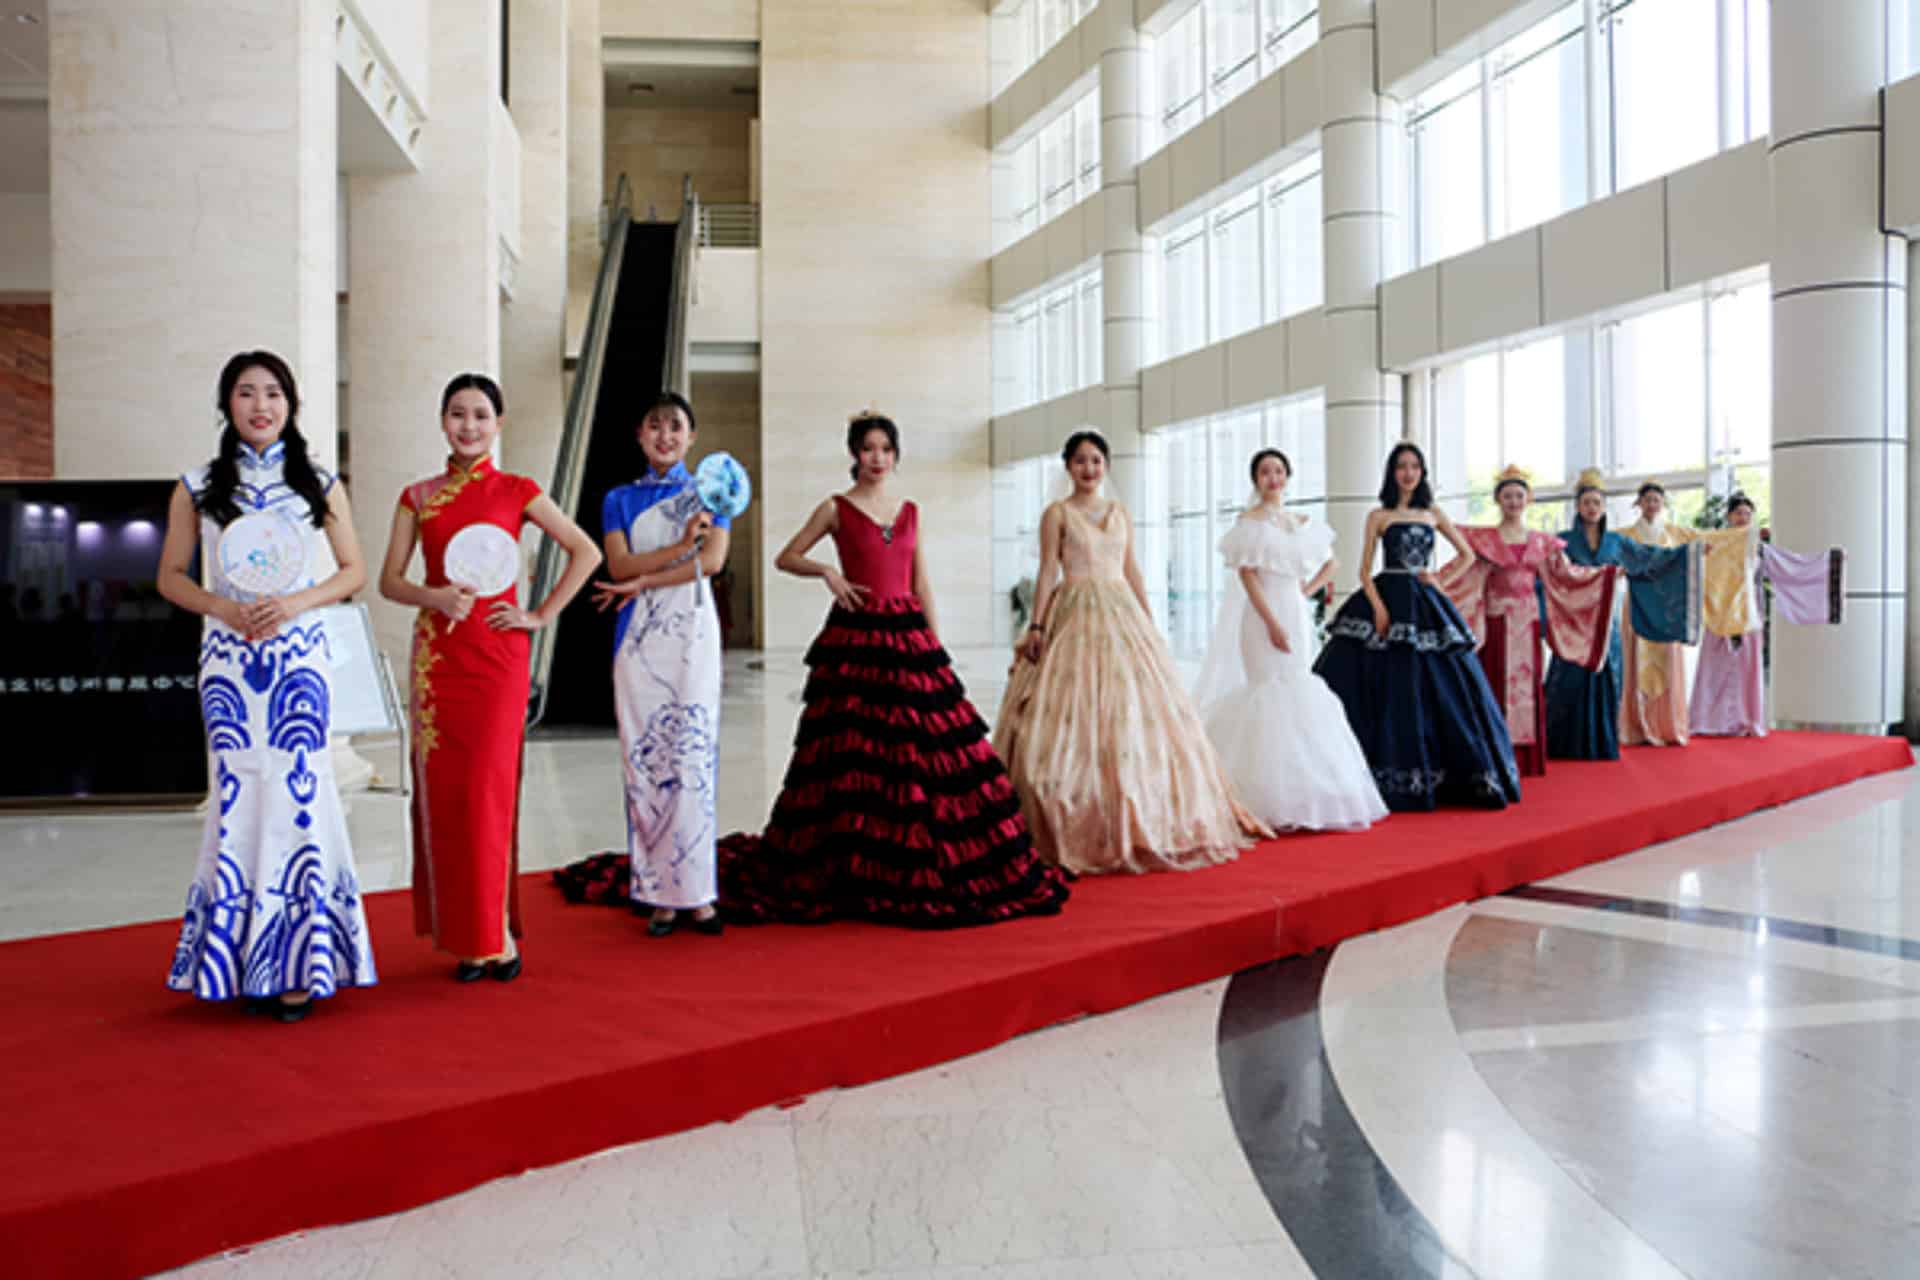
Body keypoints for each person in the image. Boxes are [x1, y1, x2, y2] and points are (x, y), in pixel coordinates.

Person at [716, 411, 1070, 925]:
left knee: (924, 753)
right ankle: (857, 862)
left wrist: (934, 646)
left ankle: (919, 854)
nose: (876, 458)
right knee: (854, 755)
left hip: (907, 636)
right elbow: (786, 557)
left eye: (885, 449)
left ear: (896, 455)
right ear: (854, 454)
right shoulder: (835, 508)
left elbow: (920, 582)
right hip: (856, 640)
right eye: (868, 448)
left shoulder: (909, 511)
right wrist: (827, 572)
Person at [157, 349, 376, 1022]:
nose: (261, 405)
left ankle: (300, 964)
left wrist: (296, 604)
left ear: (291, 404)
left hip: (298, 660)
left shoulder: (318, 482)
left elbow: (353, 570)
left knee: (300, 797)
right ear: (227, 404)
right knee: (239, 798)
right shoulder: (197, 486)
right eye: (247, 392)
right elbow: (170, 576)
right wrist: (222, 608)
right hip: (228, 662)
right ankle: (235, 961)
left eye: (273, 392)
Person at [378, 373, 600, 981]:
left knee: (488, 792)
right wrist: (434, 596)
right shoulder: (417, 497)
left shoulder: (518, 490)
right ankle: (463, 936)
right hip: (439, 661)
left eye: (480, 414)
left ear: (499, 424)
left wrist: (540, 615)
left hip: (499, 660)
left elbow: (586, 551)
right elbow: (390, 580)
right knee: (447, 796)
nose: (468, 425)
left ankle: (493, 930)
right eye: (458, 413)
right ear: (442, 421)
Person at [995, 431, 1267, 872]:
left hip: (1120, 609)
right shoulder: (1057, 514)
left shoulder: (1120, 513)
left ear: (1106, 466)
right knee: (1071, 710)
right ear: (1068, 466)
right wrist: (1037, 625)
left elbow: (1131, 569)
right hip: (1074, 610)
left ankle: (1140, 812)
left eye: (1096, 460)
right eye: (1080, 460)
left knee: (1137, 712)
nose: (1089, 468)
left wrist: (1147, 620)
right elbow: (1047, 571)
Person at [1312, 442, 1521, 811]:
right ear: (1392, 473)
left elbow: (1467, 555)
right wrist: (1378, 609)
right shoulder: (1378, 515)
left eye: (1414, 466)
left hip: (1423, 600)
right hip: (1387, 595)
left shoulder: (1433, 513)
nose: (1408, 473)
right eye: (1401, 466)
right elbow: (1364, 571)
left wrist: (1438, 581)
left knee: (1441, 683)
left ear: (1422, 472)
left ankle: (1448, 776)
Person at [591, 392, 732, 936]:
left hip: (692, 633)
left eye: (675, 426)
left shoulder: (714, 491)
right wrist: (678, 548)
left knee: (692, 757)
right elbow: (618, 565)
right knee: (644, 760)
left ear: (692, 437)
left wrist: (646, 578)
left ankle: (698, 893)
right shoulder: (618, 498)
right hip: (638, 638)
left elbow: (711, 562)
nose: (665, 436)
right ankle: (658, 894)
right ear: (640, 435)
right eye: (655, 426)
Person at [1191, 448, 1387, 831]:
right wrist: (1271, 622)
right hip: (1261, 614)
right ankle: (1255, 796)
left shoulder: (1301, 522)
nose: (1273, 478)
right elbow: (1247, 576)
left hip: (1294, 611)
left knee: (1298, 688)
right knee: (1265, 691)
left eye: (1279, 470)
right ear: (1255, 479)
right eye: (1265, 471)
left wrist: (1304, 593)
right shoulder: (1249, 522)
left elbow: (1333, 563)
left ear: (1288, 476)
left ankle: (1301, 797)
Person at [1441, 466, 1621, 776]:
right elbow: (1464, 575)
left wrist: (1604, 576)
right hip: (1496, 621)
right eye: (1507, 496)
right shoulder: (1485, 541)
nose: (1513, 501)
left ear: (1529, 500)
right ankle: (1494, 755)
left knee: (1528, 685)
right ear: (1498, 500)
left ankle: (1526, 758)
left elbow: (1567, 575)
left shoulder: (1541, 542)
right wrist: (1435, 583)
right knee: (1493, 684)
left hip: (1528, 622)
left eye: (1519, 495)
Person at [1542, 470, 1701, 760]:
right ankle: (1562, 743)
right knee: (1568, 677)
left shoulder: (1616, 542)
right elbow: (1552, 575)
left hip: (1606, 619)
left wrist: (1688, 553)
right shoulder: (1562, 541)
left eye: (1597, 503)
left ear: (1604, 508)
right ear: (1577, 507)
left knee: (1607, 673)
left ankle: (1602, 741)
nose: (1592, 508)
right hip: (1574, 622)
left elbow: (1650, 557)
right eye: (1586, 503)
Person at [1689, 492, 1845, 737]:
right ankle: (1709, 721)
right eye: (1738, 513)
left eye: (1747, 514)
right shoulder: (1715, 543)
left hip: (1749, 612)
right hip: (1720, 613)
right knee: (1715, 666)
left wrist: (1829, 561)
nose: (1743, 518)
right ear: (1729, 517)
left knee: (1747, 666)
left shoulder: (1758, 548)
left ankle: (1746, 719)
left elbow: (1790, 567)